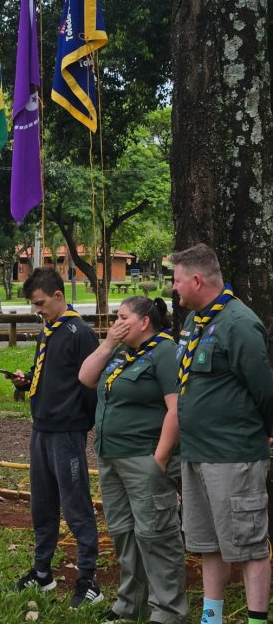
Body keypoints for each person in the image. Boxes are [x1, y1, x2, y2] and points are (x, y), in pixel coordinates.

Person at [172, 243, 273, 624]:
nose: (173, 288)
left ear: (197, 280)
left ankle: (256, 620)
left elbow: (264, 389)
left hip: (232, 455)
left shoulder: (239, 323)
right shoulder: (194, 322)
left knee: (248, 545)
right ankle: (211, 618)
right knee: (208, 543)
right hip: (196, 453)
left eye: (177, 280)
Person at [79, 296, 187, 624]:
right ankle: (131, 604)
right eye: (116, 317)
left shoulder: (165, 352)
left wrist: (160, 458)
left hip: (144, 458)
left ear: (144, 322)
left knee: (156, 535)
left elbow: (177, 408)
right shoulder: (122, 353)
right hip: (111, 457)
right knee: (124, 532)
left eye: (123, 317)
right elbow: (86, 377)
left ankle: (168, 611)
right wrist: (108, 343)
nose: (116, 323)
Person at [11, 266, 102, 608]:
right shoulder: (48, 331)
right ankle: (42, 572)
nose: (37, 310)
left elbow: (90, 383)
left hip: (67, 432)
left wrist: (81, 423)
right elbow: (49, 373)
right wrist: (27, 380)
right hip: (42, 429)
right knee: (42, 504)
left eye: (40, 303)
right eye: (34, 305)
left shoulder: (80, 333)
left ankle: (88, 579)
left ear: (59, 296)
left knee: (76, 505)